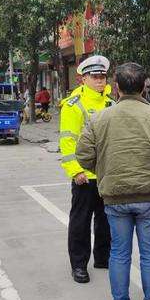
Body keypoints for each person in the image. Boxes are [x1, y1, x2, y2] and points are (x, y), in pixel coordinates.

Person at [76, 62, 150, 300]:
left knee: (119, 253)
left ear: (116, 88)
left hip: (114, 197)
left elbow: (83, 155)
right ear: (144, 86)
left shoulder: (99, 118)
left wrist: (102, 170)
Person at [59, 55, 116, 284]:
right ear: (83, 79)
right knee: (81, 222)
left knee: (106, 220)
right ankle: (79, 265)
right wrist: (75, 171)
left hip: (106, 175)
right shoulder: (73, 106)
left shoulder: (111, 104)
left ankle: (102, 257)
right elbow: (67, 141)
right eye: (95, 77)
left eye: (103, 76)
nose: (100, 81)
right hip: (84, 176)